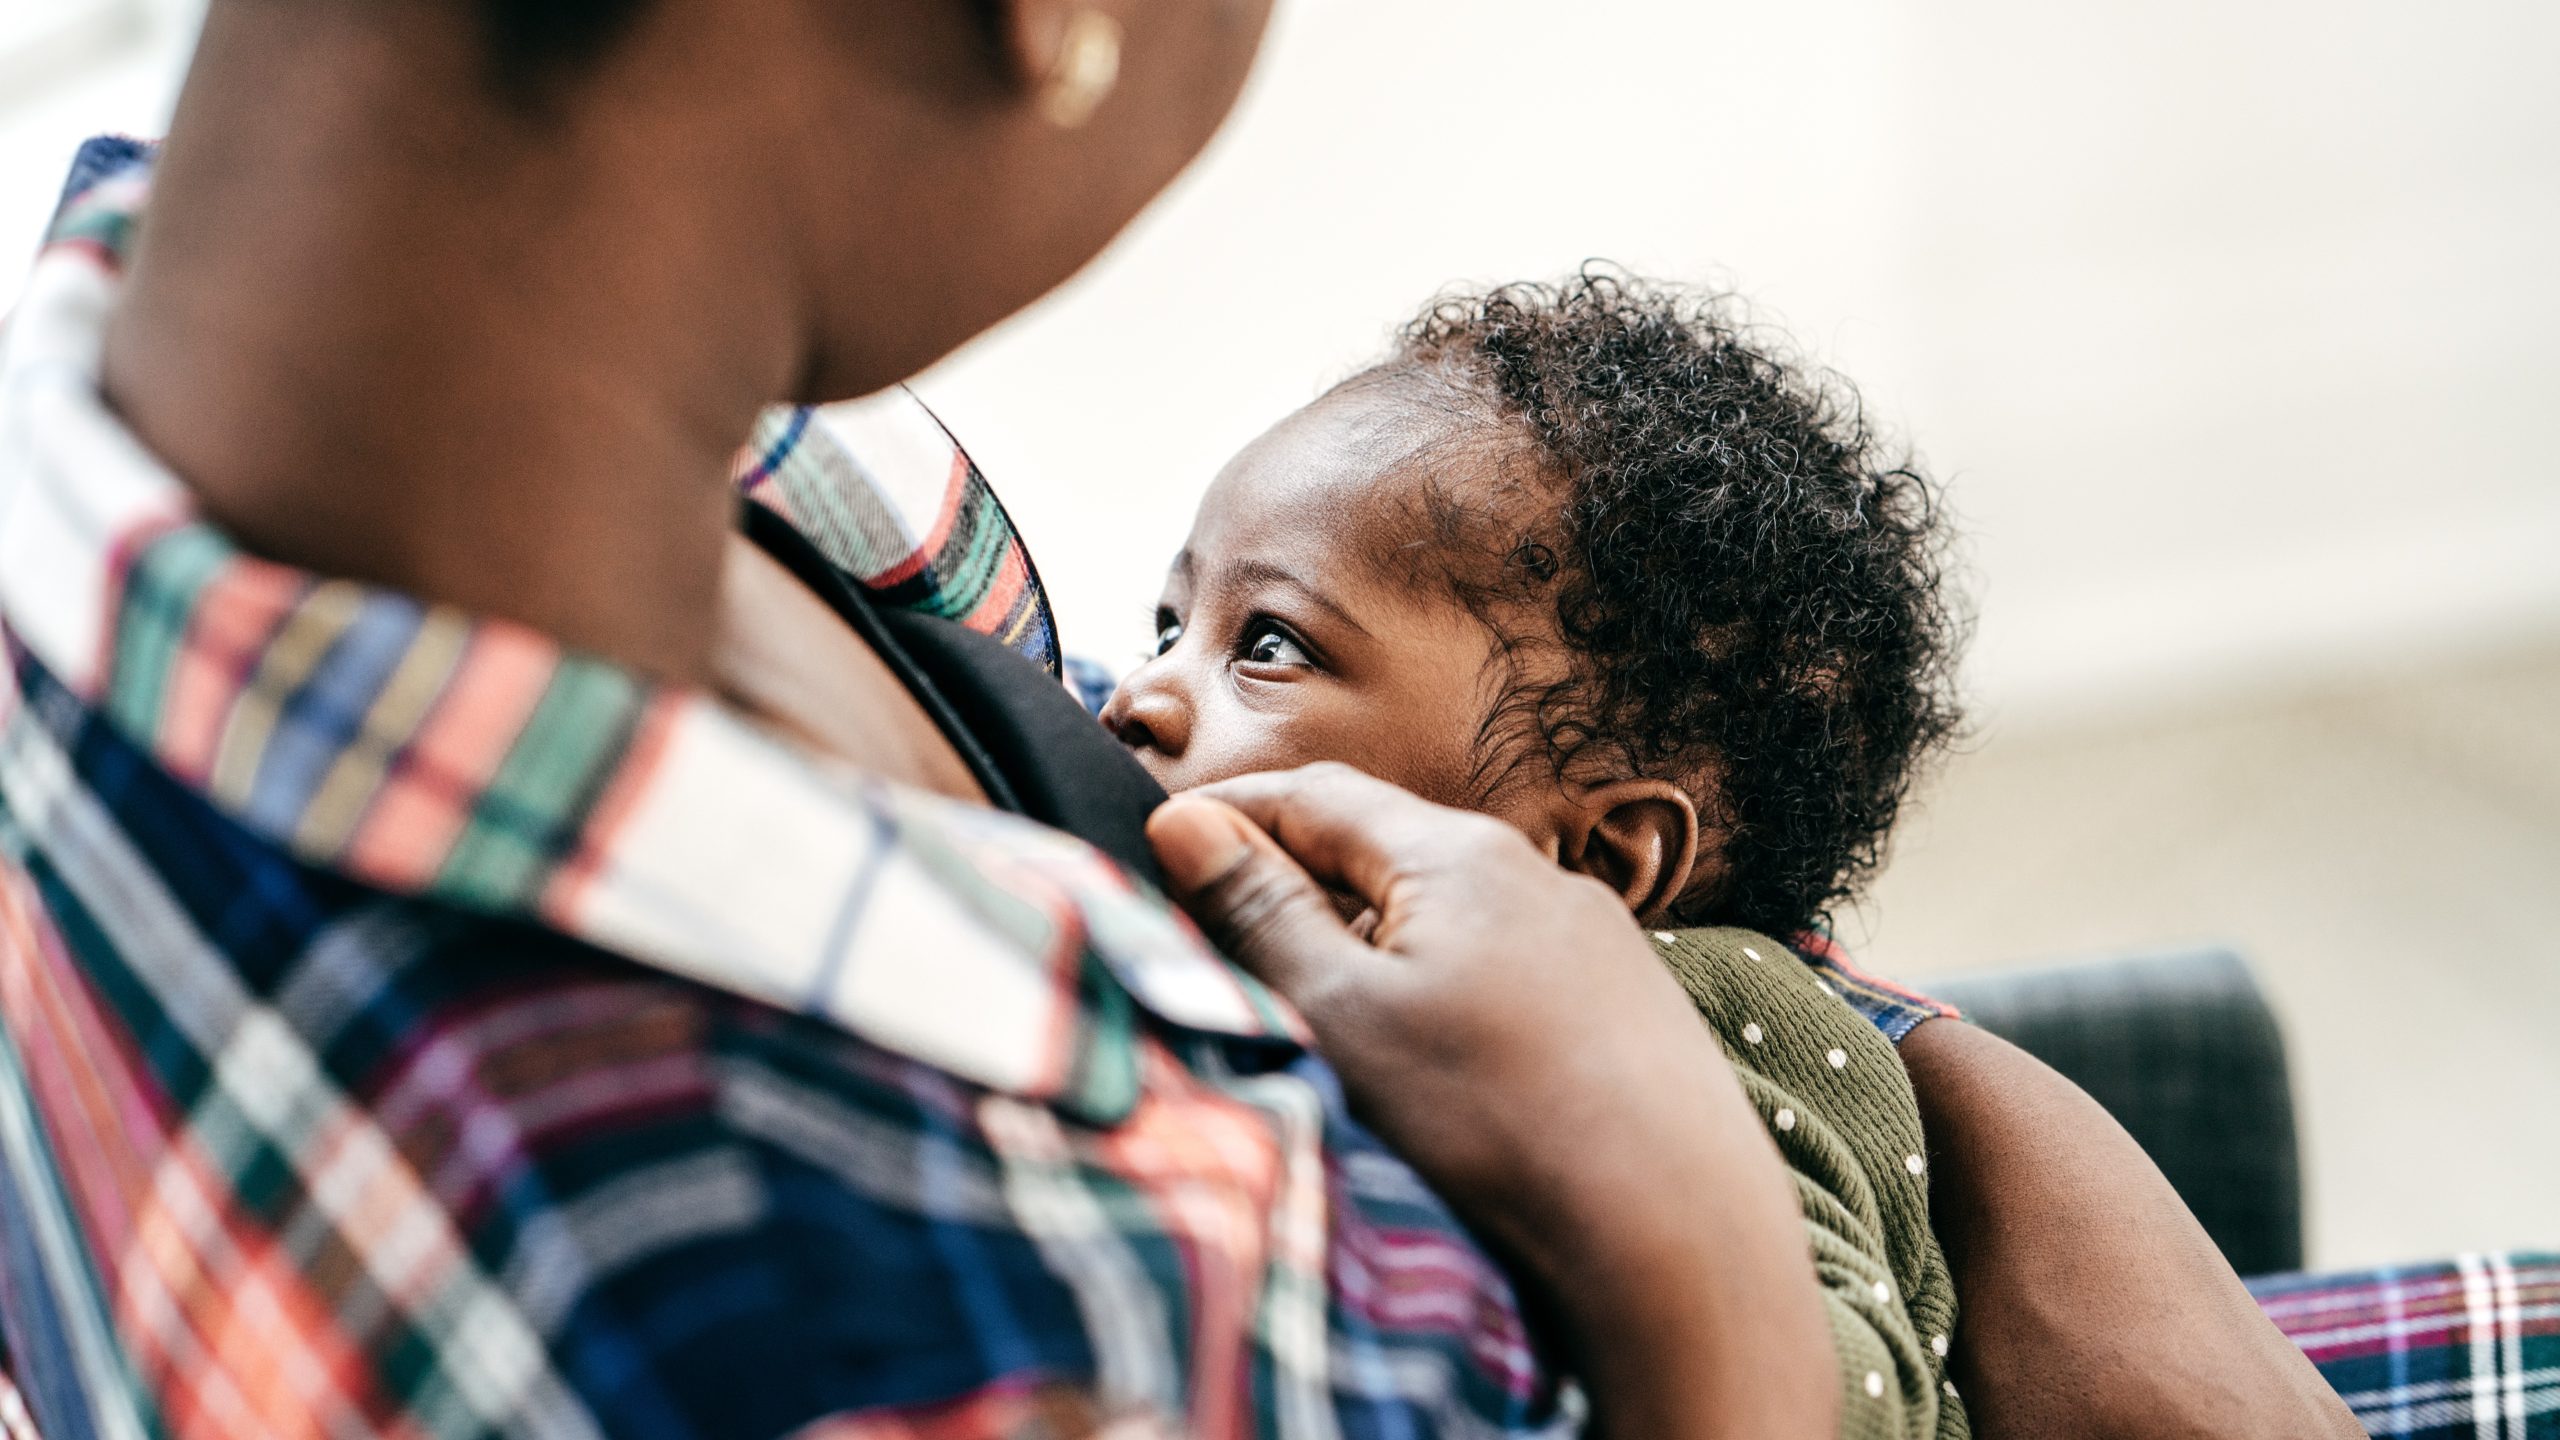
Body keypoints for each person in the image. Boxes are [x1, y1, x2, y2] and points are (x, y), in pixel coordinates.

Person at [0, 2, 2359, 1439]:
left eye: (1258, 640)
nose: (1146, 691)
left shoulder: (426, 387)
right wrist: (1691, 1270)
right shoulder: (897, 1321)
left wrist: (1964, 1101)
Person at [1104, 272, 1972, 1435]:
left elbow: (1856, 1399)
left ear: (1596, 864)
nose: (1139, 694)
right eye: (1170, 626)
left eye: (1266, 645)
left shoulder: (1696, 1018)